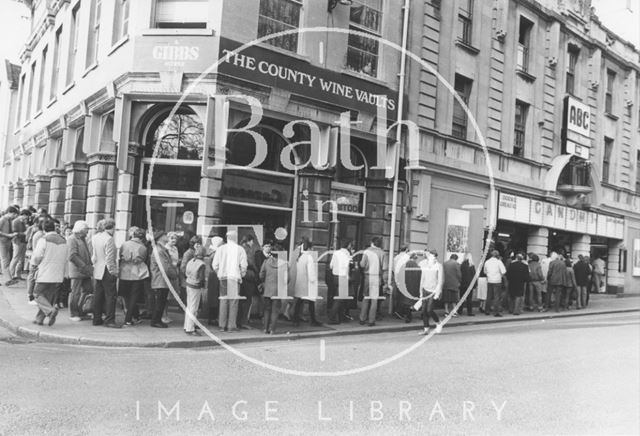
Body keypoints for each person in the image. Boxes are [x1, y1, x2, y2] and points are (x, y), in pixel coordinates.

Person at [30, 220, 67, 326]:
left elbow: (37, 256)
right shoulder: (63, 240)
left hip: (45, 272)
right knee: (48, 297)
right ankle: (39, 319)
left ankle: (50, 311)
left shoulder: (44, 239)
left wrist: (34, 264)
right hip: (58, 273)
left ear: (44, 229)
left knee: (37, 294)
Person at [212, 230, 248, 332]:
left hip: (223, 277)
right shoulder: (240, 249)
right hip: (234, 278)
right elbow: (244, 265)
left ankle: (222, 325)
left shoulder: (221, 249)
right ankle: (231, 326)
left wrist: (219, 273)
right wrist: (241, 274)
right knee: (233, 302)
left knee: (223, 300)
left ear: (227, 238)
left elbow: (214, 265)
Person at [91, 218, 119, 328]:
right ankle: (110, 320)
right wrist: (114, 272)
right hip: (107, 270)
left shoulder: (95, 237)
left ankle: (96, 318)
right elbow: (110, 258)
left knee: (98, 295)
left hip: (98, 268)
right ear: (112, 228)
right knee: (110, 296)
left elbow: (94, 255)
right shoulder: (109, 239)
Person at [119, 226, 149, 326]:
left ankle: (133, 316)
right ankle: (128, 319)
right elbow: (143, 259)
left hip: (124, 272)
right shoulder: (143, 247)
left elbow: (120, 257)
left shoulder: (124, 244)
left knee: (126, 296)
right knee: (134, 297)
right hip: (137, 273)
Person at [149, 231, 178, 328]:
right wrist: (175, 274)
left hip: (162, 279)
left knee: (161, 301)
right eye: (165, 235)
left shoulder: (161, 249)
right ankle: (156, 321)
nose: (167, 236)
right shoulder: (159, 250)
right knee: (160, 301)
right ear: (160, 238)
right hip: (160, 280)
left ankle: (157, 320)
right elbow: (165, 267)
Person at [66, 221, 93, 322]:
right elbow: (72, 255)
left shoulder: (83, 239)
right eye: (86, 230)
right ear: (81, 230)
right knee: (75, 292)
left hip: (85, 270)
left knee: (88, 290)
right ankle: (73, 313)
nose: (87, 232)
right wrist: (84, 266)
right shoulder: (72, 239)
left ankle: (81, 311)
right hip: (77, 270)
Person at [259, 244, 289, 334]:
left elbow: (261, 275)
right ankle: (272, 329)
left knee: (267, 309)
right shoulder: (284, 264)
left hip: (267, 290)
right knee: (275, 311)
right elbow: (287, 279)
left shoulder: (266, 262)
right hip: (278, 291)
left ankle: (265, 328)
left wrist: (266, 282)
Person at [359, 236, 387, 327]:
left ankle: (362, 318)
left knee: (366, 298)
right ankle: (371, 320)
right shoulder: (382, 253)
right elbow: (384, 267)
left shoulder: (367, 251)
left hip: (367, 276)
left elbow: (362, 264)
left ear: (372, 242)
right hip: (377, 277)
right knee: (374, 299)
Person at [293, 238, 321, 327]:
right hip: (308, 283)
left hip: (300, 282)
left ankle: (295, 320)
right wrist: (314, 280)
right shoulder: (309, 257)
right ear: (309, 248)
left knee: (299, 302)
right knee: (311, 303)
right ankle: (313, 320)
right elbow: (311, 273)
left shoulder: (300, 257)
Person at [327, 239, 353, 325]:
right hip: (343, 277)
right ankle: (332, 317)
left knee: (339, 297)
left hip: (335, 276)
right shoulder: (347, 254)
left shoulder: (336, 252)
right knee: (340, 298)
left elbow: (331, 265)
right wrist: (348, 276)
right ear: (348, 245)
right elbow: (348, 266)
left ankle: (341, 317)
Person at [418, 249, 443, 335]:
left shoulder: (439, 266)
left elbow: (440, 280)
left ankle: (438, 323)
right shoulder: (425, 265)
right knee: (423, 310)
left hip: (433, 290)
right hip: (425, 289)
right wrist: (420, 291)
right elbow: (422, 278)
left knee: (429, 310)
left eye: (433, 256)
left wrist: (438, 292)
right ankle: (426, 328)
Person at [184, 246, 207, 336]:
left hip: (188, 283)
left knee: (189, 306)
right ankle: (190, 329)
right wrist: (203, 285)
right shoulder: (202, 264)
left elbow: (185, 272)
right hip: (195, 286)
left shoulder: (191, 261)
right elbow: (201, 278)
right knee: (194, 308)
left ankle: (186, 326)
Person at [239, 234, 260, 328]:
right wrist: (257, 271)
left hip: (240, 276)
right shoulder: (247, 250)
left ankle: (238, 320)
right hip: (248, 276)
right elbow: (251, 263)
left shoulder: (239, 248)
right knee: (247, 300)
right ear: (248, 241)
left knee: (240, 300)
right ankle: (244, 321)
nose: (253, 243)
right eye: (252, 241)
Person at [26, 217, 47, 305]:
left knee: (32, 278)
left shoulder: (38, 233)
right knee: (33, 278)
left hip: (35, 258)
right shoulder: (40, 235)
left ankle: (31, 296)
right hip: (36, 259)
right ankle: (31, 297)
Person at [8, 209, 31, 283]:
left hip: (23, 242)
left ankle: (17, 275)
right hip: (17, 242)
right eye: (26, 216)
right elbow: (14, 232)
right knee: (15, 258)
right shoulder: (15, 221)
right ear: (23, 215)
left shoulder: (23, 222)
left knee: (21, 260)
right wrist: (24, 233)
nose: (27, 218)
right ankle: (10, 276)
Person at [206, 236, 224, 326]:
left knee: (213, 297)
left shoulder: (211, 252)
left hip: (212, 276)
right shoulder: (215, 253)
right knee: (214, 297)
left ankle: (212, 317)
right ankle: (212, 318)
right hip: (215, 276)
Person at [484, 250, 507, 317]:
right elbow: (503, 271)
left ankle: (487, 310)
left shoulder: (487, 262)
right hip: (497, 280)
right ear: (497, 255)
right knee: (497, 297)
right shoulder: (499, 262)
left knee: (489, 296)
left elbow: (485, 271)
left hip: (489, 280)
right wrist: (500, 275)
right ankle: (496, 312)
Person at [0, 206, 18, 285]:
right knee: (5, 261)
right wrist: (8, 235)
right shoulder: (2, 219)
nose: (14, 216)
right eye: (14, 214)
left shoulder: (9, 220)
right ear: (10, 212)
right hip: (2, 242)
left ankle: (8, 279)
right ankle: (8, 280)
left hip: (7, 242)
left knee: (5, 260)